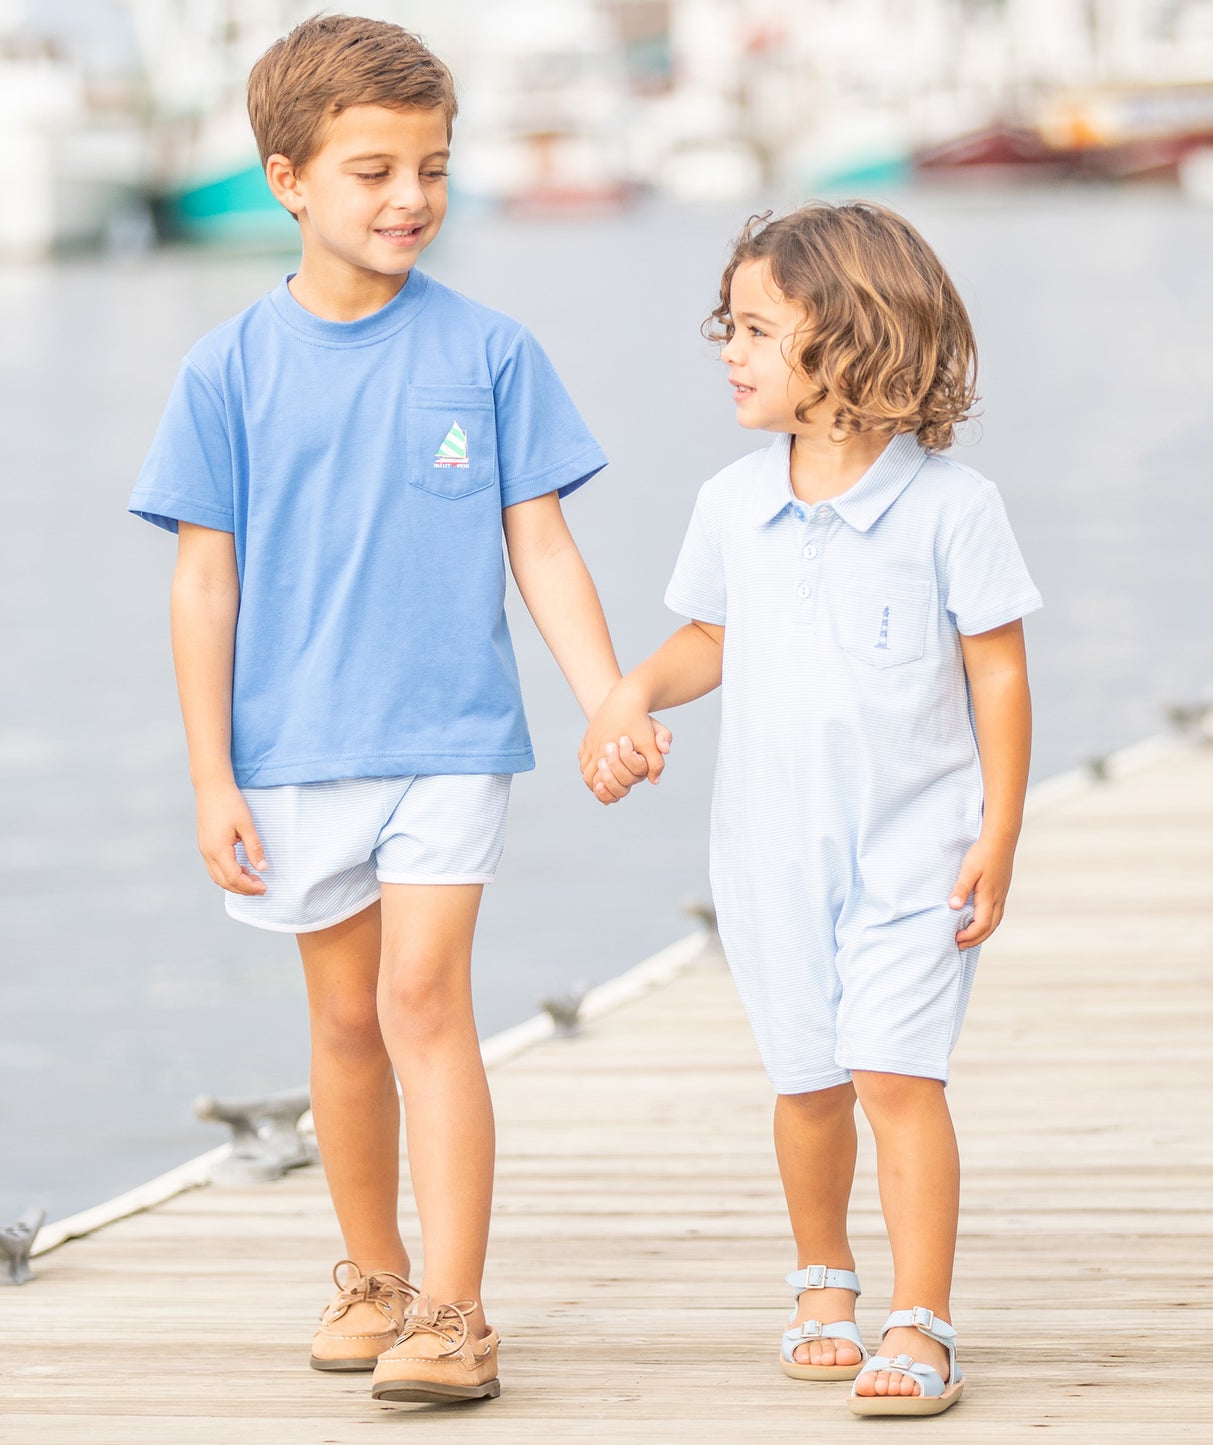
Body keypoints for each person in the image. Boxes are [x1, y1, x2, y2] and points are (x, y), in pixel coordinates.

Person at [128, 14, 662, 1406]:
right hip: (293, 747)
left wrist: (606, 692)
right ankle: (370, 1271)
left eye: (430, 166)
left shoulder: (488, 351)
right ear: (286, 179)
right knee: (345, 1024)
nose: (409, 197)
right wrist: (209, 778)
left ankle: (457, 1306)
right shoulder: (226, 370)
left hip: (447, 737)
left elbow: (538, 543)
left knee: (425, 998)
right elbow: (202, 586)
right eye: (372, 171)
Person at [581, 201, 1039, 1418]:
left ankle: (921, 1314)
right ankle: (823, 1277)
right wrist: (628, 691)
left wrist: (998, 830)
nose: (727, 352)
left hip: (916, 852)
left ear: (847, 340)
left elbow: (997, 670)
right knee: (805, 1080)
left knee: (896, 1072)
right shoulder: (734, 500)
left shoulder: (951, 505)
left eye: (752, 329)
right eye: (722, 327)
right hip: (768, 854)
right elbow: (708, 637)